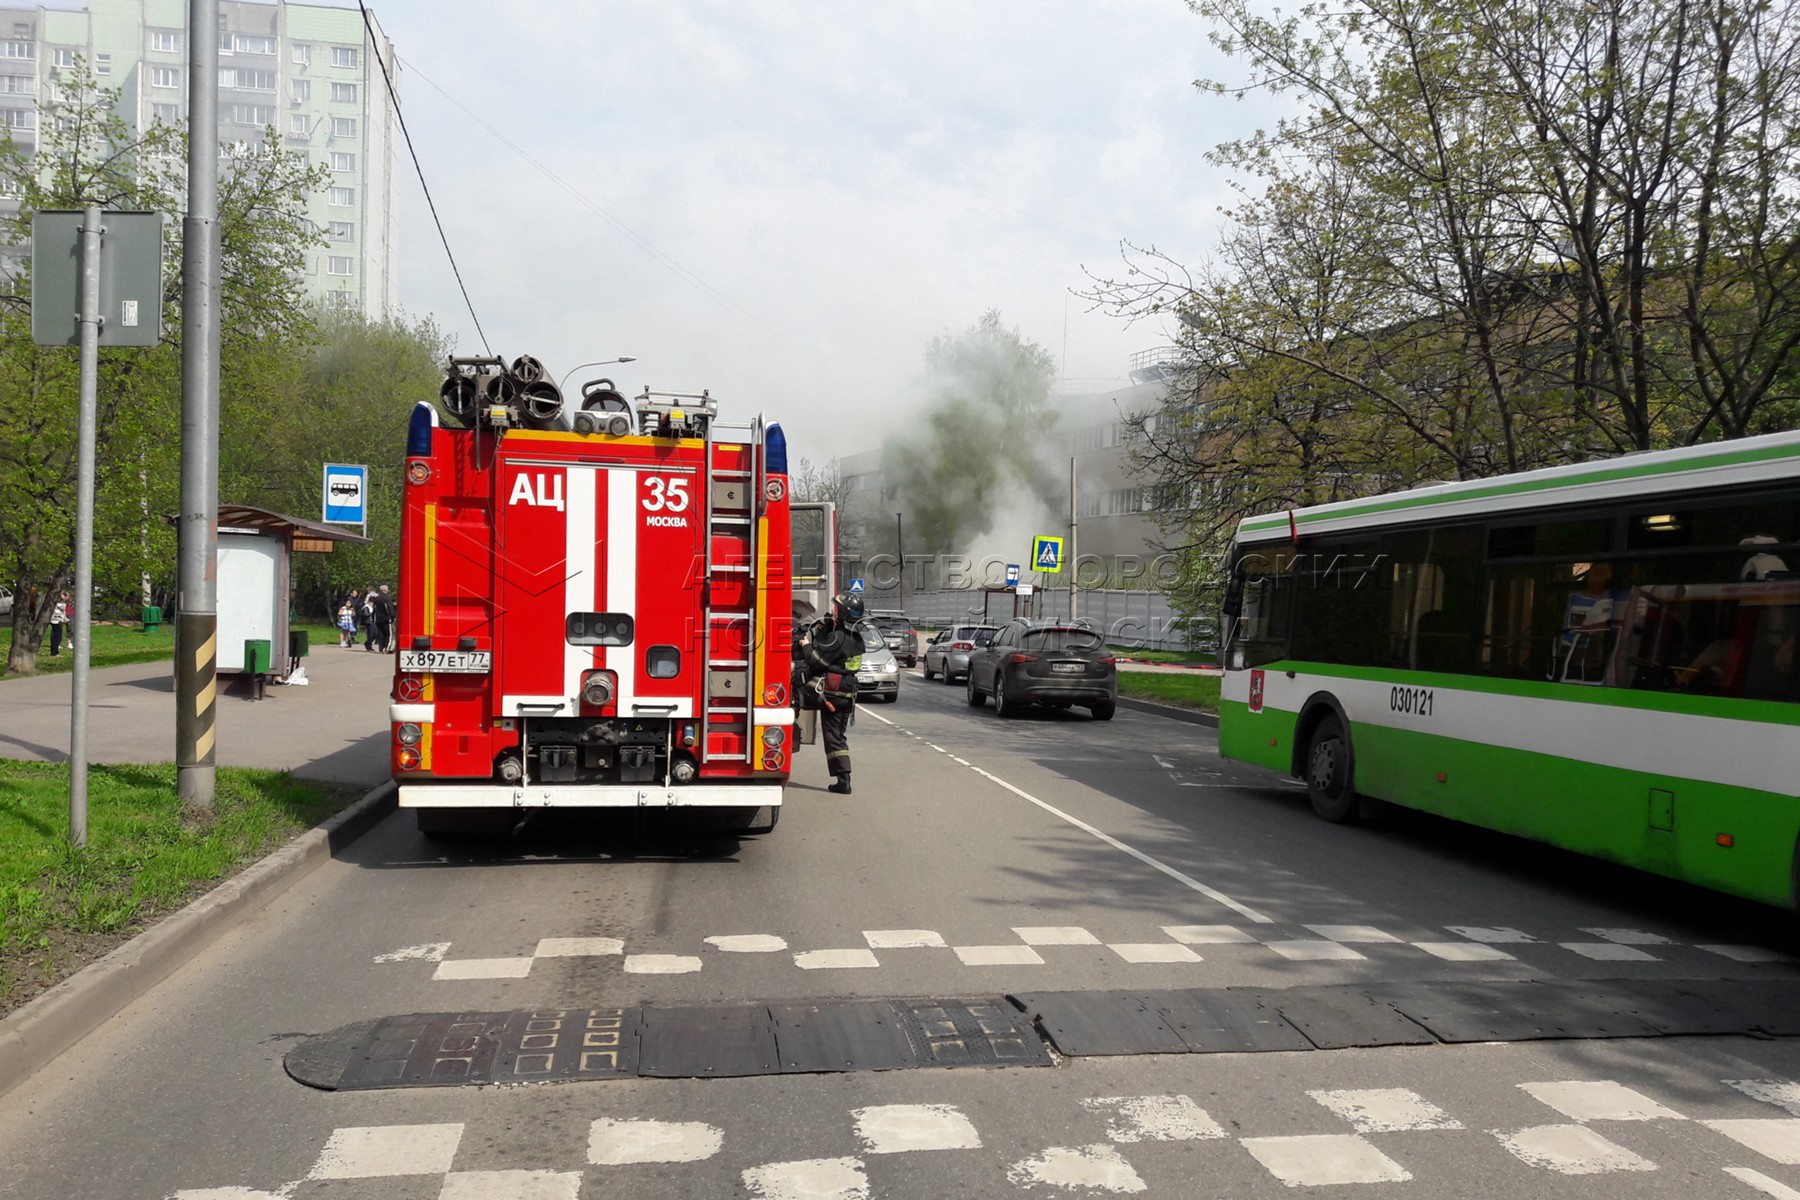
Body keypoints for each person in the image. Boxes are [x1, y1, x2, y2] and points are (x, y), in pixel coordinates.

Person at [799, 592, 866, 794]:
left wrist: (806, 645)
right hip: (846, 695)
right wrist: (824, 632)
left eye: (838, 608)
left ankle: (782, 726)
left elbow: (816, 661)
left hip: (829, 692)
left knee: (794, 690)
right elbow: (836, 655)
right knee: (835, 737)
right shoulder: (856, 638)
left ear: (843, 612)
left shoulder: (837, 637)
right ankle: (843, 781)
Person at [372, 584, 396, 653]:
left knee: (380, 634)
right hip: (386, 618)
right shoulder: (387, 598)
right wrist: (392, 616)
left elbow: (375, 609)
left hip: (378, 619)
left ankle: (381, 647)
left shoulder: (377, 598)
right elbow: (390, 609)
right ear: (386, 590)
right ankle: (386, 648)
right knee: (388, 634)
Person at [48, 590, 69, 657]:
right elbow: (62, 609)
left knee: (58, 636)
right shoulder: (57, 602)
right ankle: (54, 652)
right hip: (55, 620)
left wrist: (65, 618)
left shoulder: (63, 603)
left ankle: (55, 650)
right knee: (57, 636)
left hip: (59, 620)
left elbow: (64, 611)